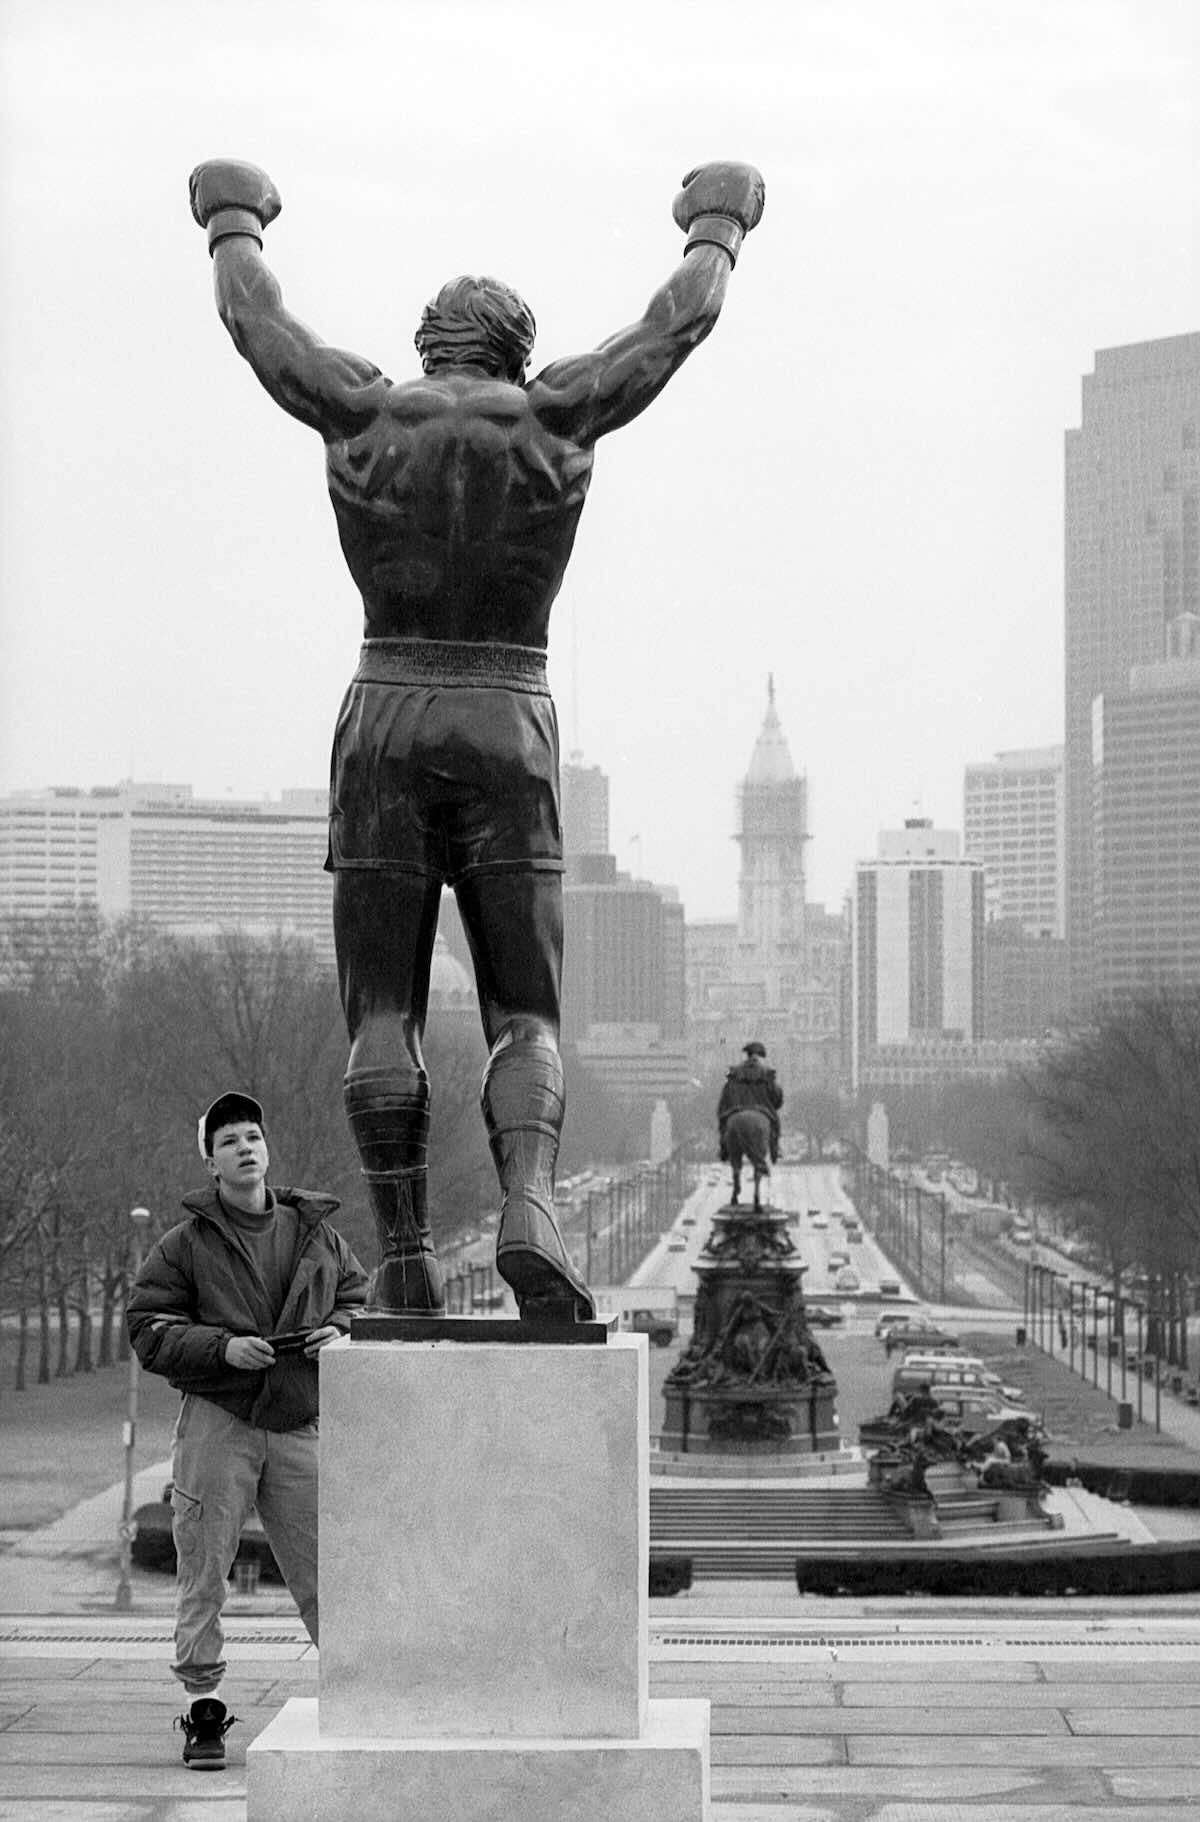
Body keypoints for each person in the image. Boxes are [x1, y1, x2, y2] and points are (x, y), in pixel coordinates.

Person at [188, 157, 765, 1324]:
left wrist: (232, 216)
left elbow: (255, 320)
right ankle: (530, 1208)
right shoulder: (557, 415)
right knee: (526, 1014)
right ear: (512, 350)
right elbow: (679, 321)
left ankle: (402, 1257)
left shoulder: (362, 412)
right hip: (509, 714)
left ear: (431, 345)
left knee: (383, 1013)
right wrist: (718, 221)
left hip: (387, 710)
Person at [126, 1091, 368, 1771]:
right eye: (228, 1139)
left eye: (253, 1135)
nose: (245, 1146)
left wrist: (339, 1330)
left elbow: (358, 1299)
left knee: (328, 1570)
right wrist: (222, 1349)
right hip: (218, 1424)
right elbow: (149, 1331)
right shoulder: (183, 1246)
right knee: (204, 1569)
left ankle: (359, 1697)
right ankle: (204, 1711)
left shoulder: (318, 1232)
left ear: (268, 1149)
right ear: (211, 1161)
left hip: (296, 1423)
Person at [718, 1040, 784, 1162]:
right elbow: (775, 1095)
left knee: (724, 1124)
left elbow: (726, 1094)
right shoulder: (767, 1072)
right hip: (762, 1108)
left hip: (736, 1108)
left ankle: (724, 1147)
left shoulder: (734, 1072)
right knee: (775, 1125)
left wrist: (725, 1110)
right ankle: (775, 1148)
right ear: (759, 1055)